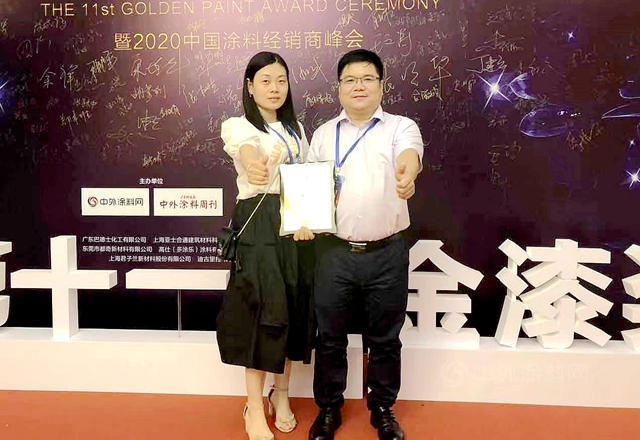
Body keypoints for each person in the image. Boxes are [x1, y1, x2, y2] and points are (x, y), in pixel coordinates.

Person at [307, 49, 423, 440]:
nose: (359, 86)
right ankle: (328, 408)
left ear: (381, 86)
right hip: (334, 253)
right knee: (329, 337)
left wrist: (407, 172)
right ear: (339, 88)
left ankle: (383, 409)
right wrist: (302, 218)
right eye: (350, 80)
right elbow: (308, 187)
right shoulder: (324, 135)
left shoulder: (401, 127)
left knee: (385, 339)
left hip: (387, 252)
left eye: (368, 78)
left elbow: (410, 155)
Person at [216, 51, 315, 440]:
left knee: (291, 307)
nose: (275, 88)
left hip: (294, 223)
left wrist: (307, 219)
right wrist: (255, 163)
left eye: (281, 80)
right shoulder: (237, 126)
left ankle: (282, 395)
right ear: (250, 86)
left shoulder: (297, 129)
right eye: (266, 80)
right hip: (257, 223)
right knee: (260, 313)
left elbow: (305, 180)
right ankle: (254, 407)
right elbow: (245, 151)